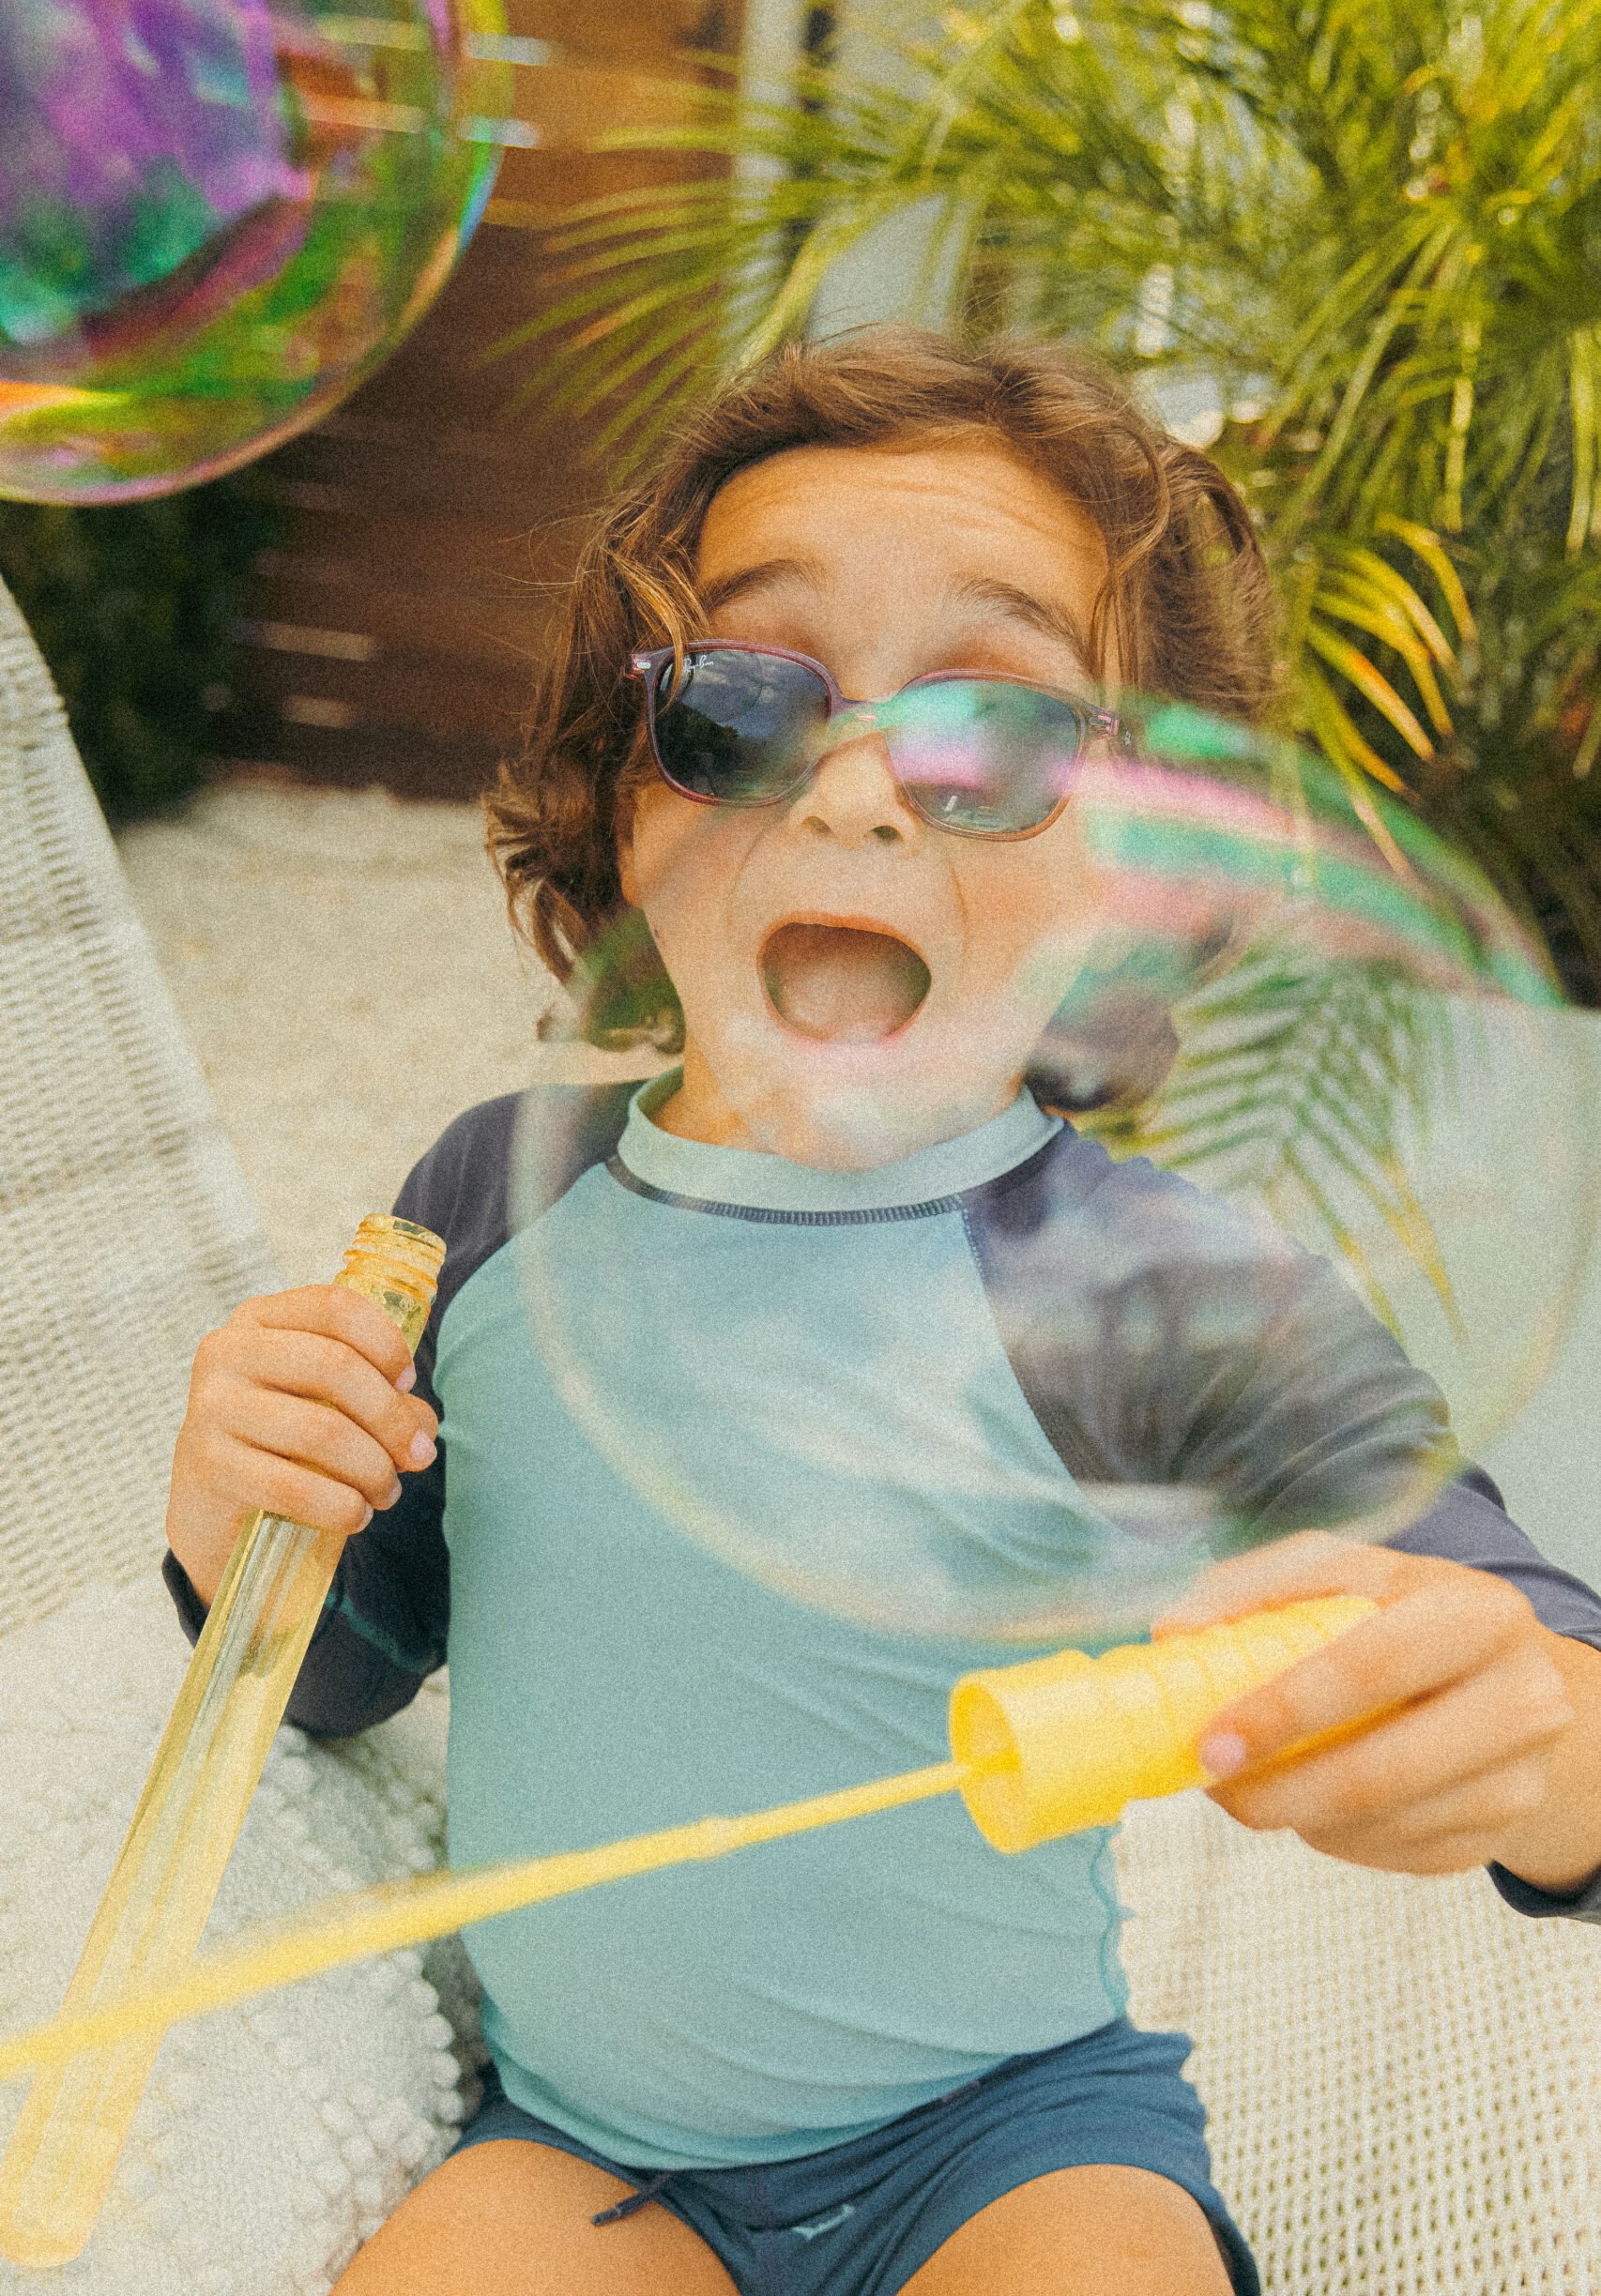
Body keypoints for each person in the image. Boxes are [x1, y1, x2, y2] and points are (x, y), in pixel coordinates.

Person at [163, 330, 1601, 2296]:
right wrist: (238, 1508)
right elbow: (340, 1667)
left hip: (1010, 2134)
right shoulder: (494, 1202)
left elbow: (1519, 1637)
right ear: (623, 800)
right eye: (745, 705)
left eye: (993, 744)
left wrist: (1542, 1746)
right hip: (589, 2149)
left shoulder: (1153, 1291)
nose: (852, 796)